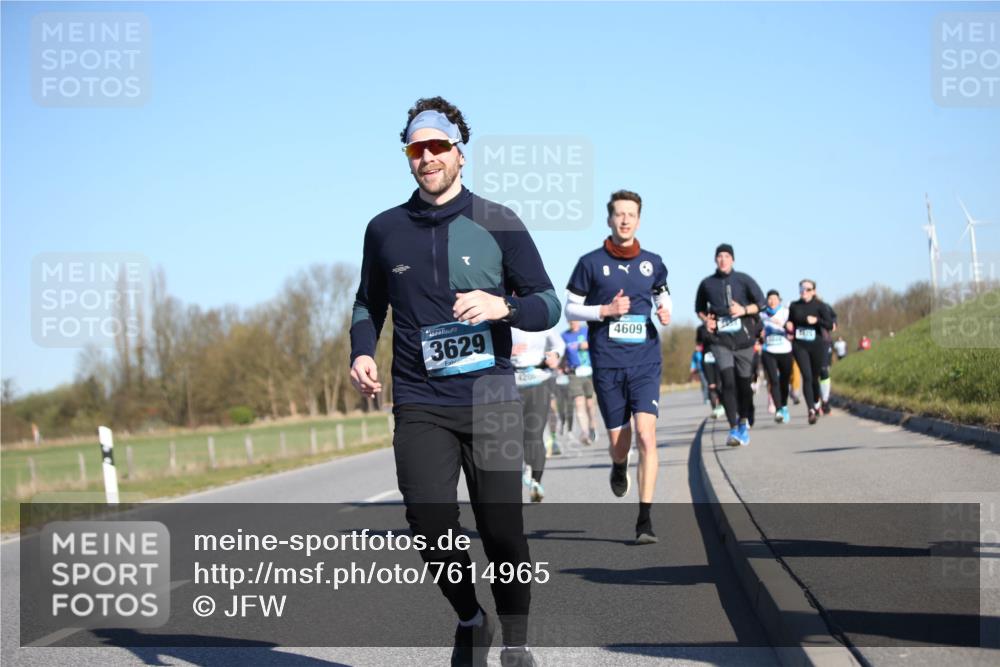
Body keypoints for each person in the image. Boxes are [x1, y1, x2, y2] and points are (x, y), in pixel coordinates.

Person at [349, 97, 559, 667]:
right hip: (420, 400)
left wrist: (501, 306)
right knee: (428, 521)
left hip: (491, 395)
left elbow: (548, 304)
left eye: (438, 147)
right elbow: (369, 302)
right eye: (417, 150)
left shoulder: (499, 221)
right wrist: (362, 352)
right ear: (408, 158)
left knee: (504, 534)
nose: (427, 158)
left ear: (459, 155)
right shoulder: (384, 229)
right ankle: (472, 617)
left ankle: (516, 643)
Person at [565, 190, 671, 544]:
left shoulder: (652, 261)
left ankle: (645, 520)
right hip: (608, 363)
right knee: (619, 443)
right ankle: (619, 464)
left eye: (631, 214)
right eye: (619, 214)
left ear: (639, 220)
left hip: (645, 361)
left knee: (646, 435)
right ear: (609, 219)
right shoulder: (590, 263)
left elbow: (661, 290)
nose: (625, 220)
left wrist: (665, 307)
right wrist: (604, 311)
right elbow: (570, 308)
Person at [695, 243, 766, 447]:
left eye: (727, 256)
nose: (723, 259)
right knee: (727, 381)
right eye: (720, 256)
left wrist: (743, 310)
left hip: (744, 340)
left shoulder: (743, 280)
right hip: (720, 341)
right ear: (715, 260)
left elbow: (760, 303)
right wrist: (705, 320)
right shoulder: (707, 283)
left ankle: (743, 421)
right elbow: (699, 308)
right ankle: (733, 427)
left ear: (732, 259)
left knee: (744, 385)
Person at [511, 326, 565, 502]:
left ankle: (536, 482)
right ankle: (524, 465)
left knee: (534, 434)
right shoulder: (500, 317)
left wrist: (555, 354)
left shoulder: (540, 318)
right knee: (514, 434)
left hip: (539, 380)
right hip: (510, 382)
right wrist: (503, 351)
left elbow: (558, 343)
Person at [786, 279, 834, 425]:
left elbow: (830, 325)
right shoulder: (794, 306)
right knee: (806, 376)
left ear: (813, 291)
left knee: (814, 377)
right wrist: (788, 325)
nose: (804, 292)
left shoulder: (820, 306)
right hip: (800, 346)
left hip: (817, 345)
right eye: (801, 289)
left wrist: (817, 321)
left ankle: (816, 400)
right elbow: (790, 321)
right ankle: (811, 410)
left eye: (807, 289)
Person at [561, 320, 598, 445]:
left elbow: (598, 343)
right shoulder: (564, 336)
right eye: (571, 320)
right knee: (578, 403)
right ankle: (585, 431)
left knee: (590, 403)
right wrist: (562, 366)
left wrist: (588, 344)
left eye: (576, 320)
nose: (574, 323)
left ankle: (592, 425)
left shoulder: (586, 331)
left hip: (590, 372)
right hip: (574, 373)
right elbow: (563, 354)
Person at [760, 289, 793, 424]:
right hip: (769, 351)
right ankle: (778, 409)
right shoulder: (762, 314)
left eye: (774, 298)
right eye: (769, 299)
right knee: (773, 380)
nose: (772, 301)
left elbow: (793, 327)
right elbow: (756, 329)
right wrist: (759, 334)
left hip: (785, 350)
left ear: (779, 300)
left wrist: (789, 326)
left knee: (784, 381)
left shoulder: (786, 312)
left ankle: (784, 405)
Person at [697, 323, 725, 419]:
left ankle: (721, 405)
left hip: (719, 357)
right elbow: (698, 343)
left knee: (719, 384)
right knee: (711, 385)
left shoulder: (719, 325)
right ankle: (715, 409)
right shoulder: (700, 329)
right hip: (707, 359)